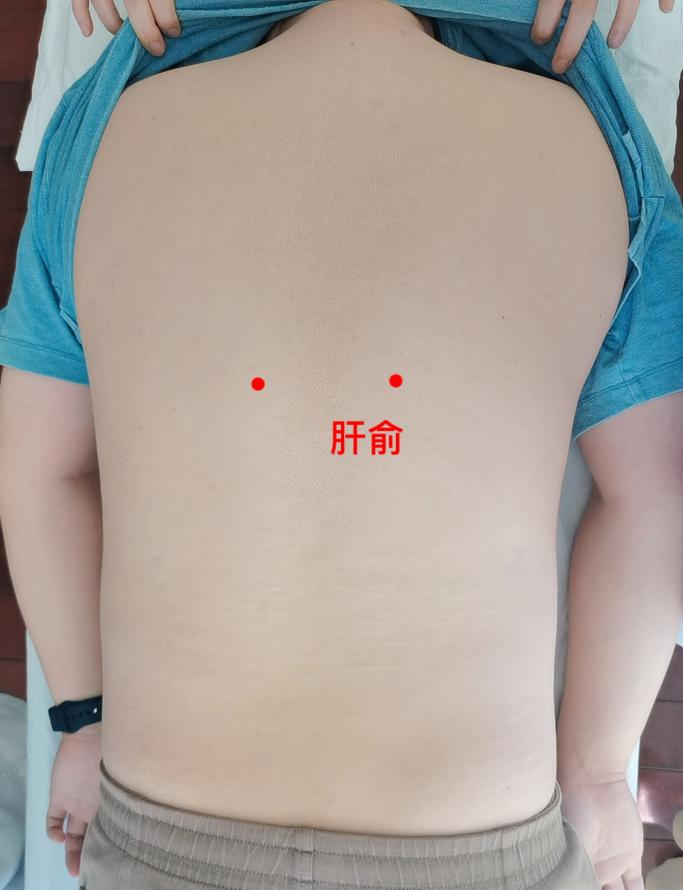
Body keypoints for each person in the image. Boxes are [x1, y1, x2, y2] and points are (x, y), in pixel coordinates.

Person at [0, 1, 682, 889]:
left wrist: (84, 717)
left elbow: (43, 469)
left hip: (161, 839)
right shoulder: (585, 139)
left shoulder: (110, 131)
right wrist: (593, 769)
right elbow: (651, 498)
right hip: (477, 849)